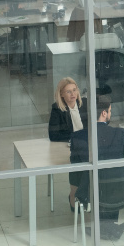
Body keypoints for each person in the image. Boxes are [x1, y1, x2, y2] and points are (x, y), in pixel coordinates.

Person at [69, 96, 124, 241]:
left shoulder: (77, 137)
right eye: (110, 111)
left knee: (99, 181)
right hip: (121, 193)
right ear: (104, 113)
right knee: (110, 180)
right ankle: (108, 227)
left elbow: (75, 169)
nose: (110, 114)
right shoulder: (119, 133)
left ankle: (104, 227)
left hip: (91, 194)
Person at [48, 78, 90, 210]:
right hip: (71, 145)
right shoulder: (57, 109)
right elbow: (53, 135)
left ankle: (87, 193)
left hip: (87, 143)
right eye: (68, 91)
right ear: (61, 94)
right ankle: (74, 194)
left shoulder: (86, 105)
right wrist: (74, 136)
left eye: (74, 90)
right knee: (77, 159)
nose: (73, 94)